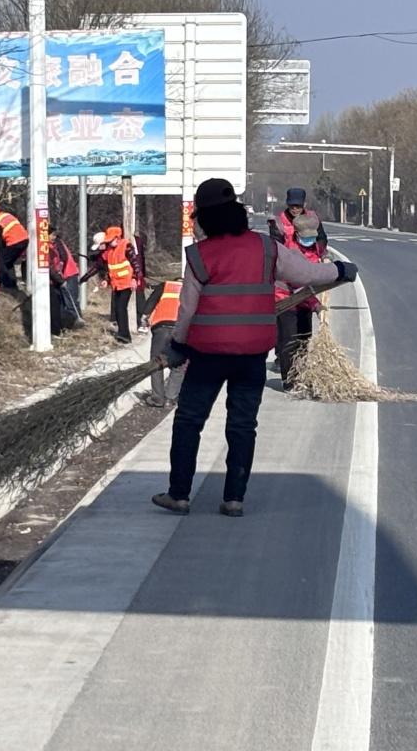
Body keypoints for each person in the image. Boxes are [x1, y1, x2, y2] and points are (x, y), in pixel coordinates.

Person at [151, 179, 357, 519]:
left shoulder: (199, 255)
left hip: (207, 355)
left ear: (204, 218)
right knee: (243, 425)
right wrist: (340, 269)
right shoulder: (266, 247)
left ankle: (179, 495)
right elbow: (306, 272)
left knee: (189, 421)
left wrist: (178, 345)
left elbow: (186, 310)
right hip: (252, 355)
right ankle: (234, 499)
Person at [275, 212, 327, 390]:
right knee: (289, 341)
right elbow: (299, 284)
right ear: (297, 235)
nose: (309, 241)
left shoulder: (314, 248)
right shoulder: (291, 253)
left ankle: (301, 375)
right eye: (306, 237)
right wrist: (316, 305)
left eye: (312, 237)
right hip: (286, 300)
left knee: (304, 339)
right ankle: (289, 381)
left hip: (304, 301)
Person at [140, 278, 182, 407]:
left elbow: (150, 303)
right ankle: (170, 398)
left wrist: (144, 318)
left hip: (161, 328)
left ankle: (157, 398)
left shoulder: (165, 286)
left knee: (156, 362)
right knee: (179, 364)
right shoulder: (192, 289)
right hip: (181, 330)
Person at [101, 226, 138, 344]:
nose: (109, 243)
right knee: (117, 308)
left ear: (117, 238)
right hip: (116, 284)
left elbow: (135, 263)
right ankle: (122, 333)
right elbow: (110, 268)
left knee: (121, 308)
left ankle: (125, 335)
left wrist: (134, 278)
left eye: (110, 240)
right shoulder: (110, 251)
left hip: (126, 282)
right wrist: (106, 280)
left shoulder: (126, 246)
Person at [0, 203, 30, 290]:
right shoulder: (7, 215)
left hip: (14, 243)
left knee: (0, 263)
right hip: (24, 239)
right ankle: (11, 285)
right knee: (8, 262)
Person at [269, 187, 328, 251]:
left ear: (304, 204)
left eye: (298, 206)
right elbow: (276, 245)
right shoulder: (278, 222)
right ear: (287, 204)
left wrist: (320, 252)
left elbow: (322, 238)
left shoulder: (313, 218)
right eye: (292, 206)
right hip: (288, 255)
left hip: (311, 255)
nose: (295, 209)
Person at [49, 227, 85, 328]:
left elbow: (63, 257)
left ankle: (77, 321)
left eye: (54, 235)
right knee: (62, 301)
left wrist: (59, 273)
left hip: (69, 273)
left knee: (70, 300)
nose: (54, 237)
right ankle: (67, 323)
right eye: (52, 235)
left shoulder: (57, 243)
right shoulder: (49, 245)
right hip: (60, 276)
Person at [133, 232, 150, 334]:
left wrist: (141, 274)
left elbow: (140, 258)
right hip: (125, 277)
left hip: (136, 274)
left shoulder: (136, 241)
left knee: (139, 298)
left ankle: (142, 322)